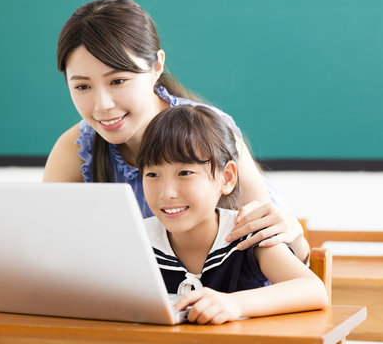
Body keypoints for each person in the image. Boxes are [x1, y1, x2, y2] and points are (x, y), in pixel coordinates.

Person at [0, 0, 309, 309]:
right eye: (81, 86)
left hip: (235, 319)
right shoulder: (75, 148)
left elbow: (290, 249)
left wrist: (291, 234)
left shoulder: (206, 134)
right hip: (132, 323)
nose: (101, 106)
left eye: (118, 80)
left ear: (155, 67)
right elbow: (41, 252)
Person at [136, 105, 328, 324]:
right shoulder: (137, 239)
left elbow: (313, 289)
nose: (166, 192)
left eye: (185, 173)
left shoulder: (249, 234)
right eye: (152, 174)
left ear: (226, 178)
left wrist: (236, 304)